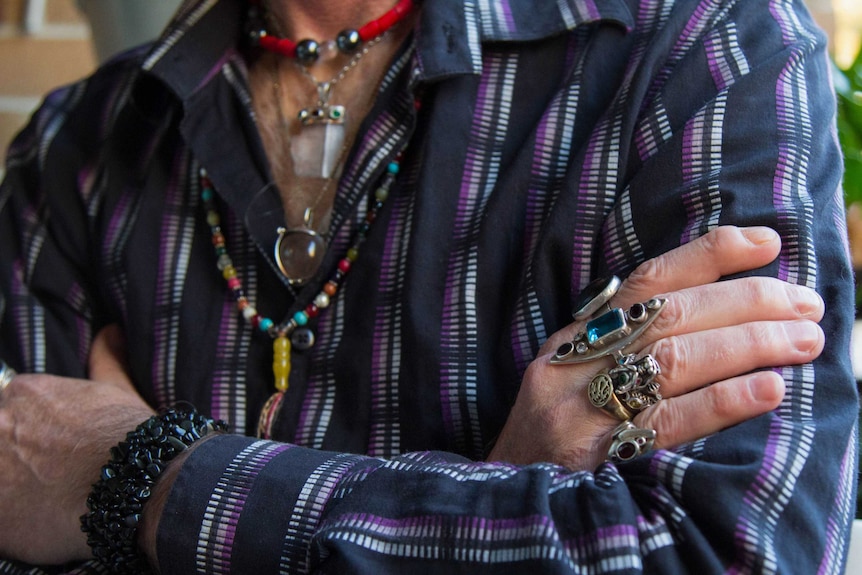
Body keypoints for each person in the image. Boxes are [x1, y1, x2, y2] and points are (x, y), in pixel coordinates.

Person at [0, 0, 855, 573]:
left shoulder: (700, 51)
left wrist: (131, 475)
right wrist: (497, 498)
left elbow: (728, 550)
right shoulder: (75, 150)